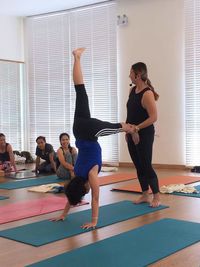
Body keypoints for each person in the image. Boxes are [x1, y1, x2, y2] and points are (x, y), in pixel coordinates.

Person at [53, 48, 133, 229]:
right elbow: (72, 194)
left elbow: (96, 198)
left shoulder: (90, 175)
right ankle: (77, 57)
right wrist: (63, 213)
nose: (86, 194)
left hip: (90, 133)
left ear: (84, 188)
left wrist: (94, 221)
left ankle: (127, 127)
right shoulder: (77, 175)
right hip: (78, 130)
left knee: (118, 127)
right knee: (80, 91)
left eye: (83, 194)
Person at [126, 62, 160, 207]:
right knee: (138, 165)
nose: (129, 75)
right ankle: (145, 194)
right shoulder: (132, 91)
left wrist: (137, 128)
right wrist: (128, 129)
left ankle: (156, 197)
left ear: (138, 75)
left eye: (131, 72)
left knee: (146, 165)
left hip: (144, 134)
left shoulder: (147, 93)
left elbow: (153, 117)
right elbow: (130, 113)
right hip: (131, 133)